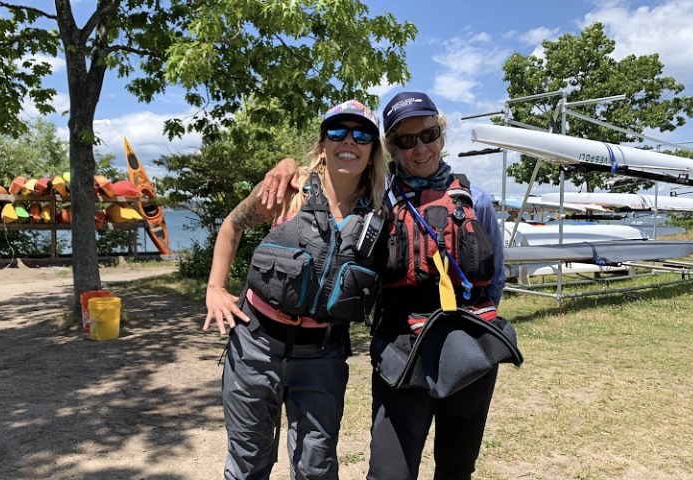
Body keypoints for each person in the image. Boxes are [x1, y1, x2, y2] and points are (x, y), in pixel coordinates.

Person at [260, 91, 507, 480]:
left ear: (441, 135)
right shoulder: (376, 197)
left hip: (469, 343)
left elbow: (495, 279)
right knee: (390, 472)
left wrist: (475, 321)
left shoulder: (476, 200)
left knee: (457, 468)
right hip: (401, 348)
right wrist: (286, 164)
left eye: (428, 134)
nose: (420, 148)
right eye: (405, 141)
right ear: (389, 148)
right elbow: (324, 179)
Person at [204, 99, 388, 479]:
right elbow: (233, 225)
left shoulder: (379, 212)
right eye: (338, 131)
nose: (348, 141)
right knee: (248, 462)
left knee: (315, 467)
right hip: (256, 347)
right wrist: (215, 287)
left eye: (362, 134)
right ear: (323, 143)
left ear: (373, 151)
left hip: (322, 355)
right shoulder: (287, 189)